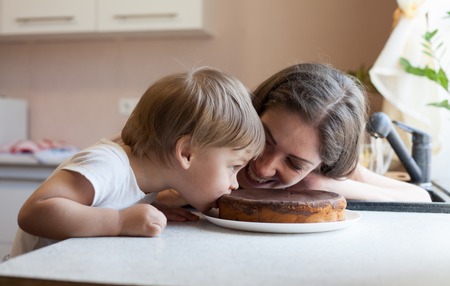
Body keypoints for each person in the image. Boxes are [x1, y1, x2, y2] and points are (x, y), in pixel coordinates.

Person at [7, 66, 265, 258]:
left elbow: (109, 202)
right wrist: (119, 221)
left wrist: (151, 207)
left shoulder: (148, 179)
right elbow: (34, 212)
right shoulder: (108, 165)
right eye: (233, 167)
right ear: (186, 153)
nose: (234, 183)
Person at [156, 63, 430, 216]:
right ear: (256, 110)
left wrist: (318, 184)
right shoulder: (212, 129)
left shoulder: (319, 175)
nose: (263, 168)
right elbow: (121, 156)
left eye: (295, 163)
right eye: (266, 139)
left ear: (322, 164)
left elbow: (420, 198)